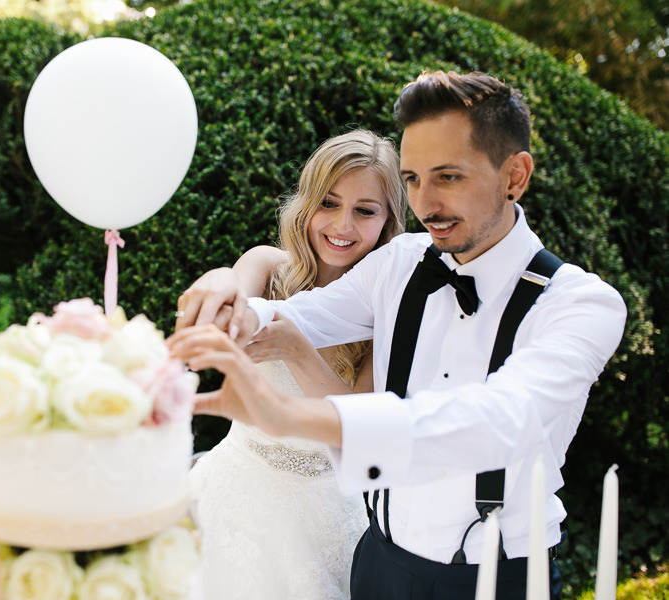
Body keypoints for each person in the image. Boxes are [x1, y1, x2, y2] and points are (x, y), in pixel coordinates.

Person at [170, 71, 627, 600]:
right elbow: (305, 314)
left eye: (448, 176)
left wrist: (291, 415)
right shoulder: (402, 262)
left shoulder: (580, 302)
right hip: (378, 561)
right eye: (411, 179)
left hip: (495, 574)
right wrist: (230, 299)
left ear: (514, 176)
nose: (425, 202)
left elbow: (501, 417)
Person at [178, 129, 407, 599]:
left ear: (386, 224)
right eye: (329, 203)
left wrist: (296, 349)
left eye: (364, 211)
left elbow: (357, 422)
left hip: (326, 510)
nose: (343, 225)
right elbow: (233, 288)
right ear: (305, 204)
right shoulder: (270, 268)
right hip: (236, 488)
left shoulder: (391, 311)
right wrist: (221, 283)